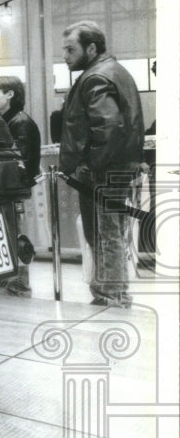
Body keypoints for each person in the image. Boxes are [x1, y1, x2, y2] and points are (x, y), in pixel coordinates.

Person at [59, 20, 144, 308]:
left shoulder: (96, 77)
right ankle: (113, 292)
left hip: (104, 172)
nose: (65, 56)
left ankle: (111, 295)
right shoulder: (114, 72)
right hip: (117, 169)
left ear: (91, 48)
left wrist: (92, 167)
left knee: (104, 233)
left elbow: (107, 126)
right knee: (112, 232)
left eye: (71, 49)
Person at [0, 75, 41, 297]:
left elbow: (19, 161)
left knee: (15, 233)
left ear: (10, 94)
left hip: (13, 189)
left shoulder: (19, 122)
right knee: (11, 232)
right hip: (8, 188)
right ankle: (14, 280)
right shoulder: (10, 120)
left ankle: (19, 282)